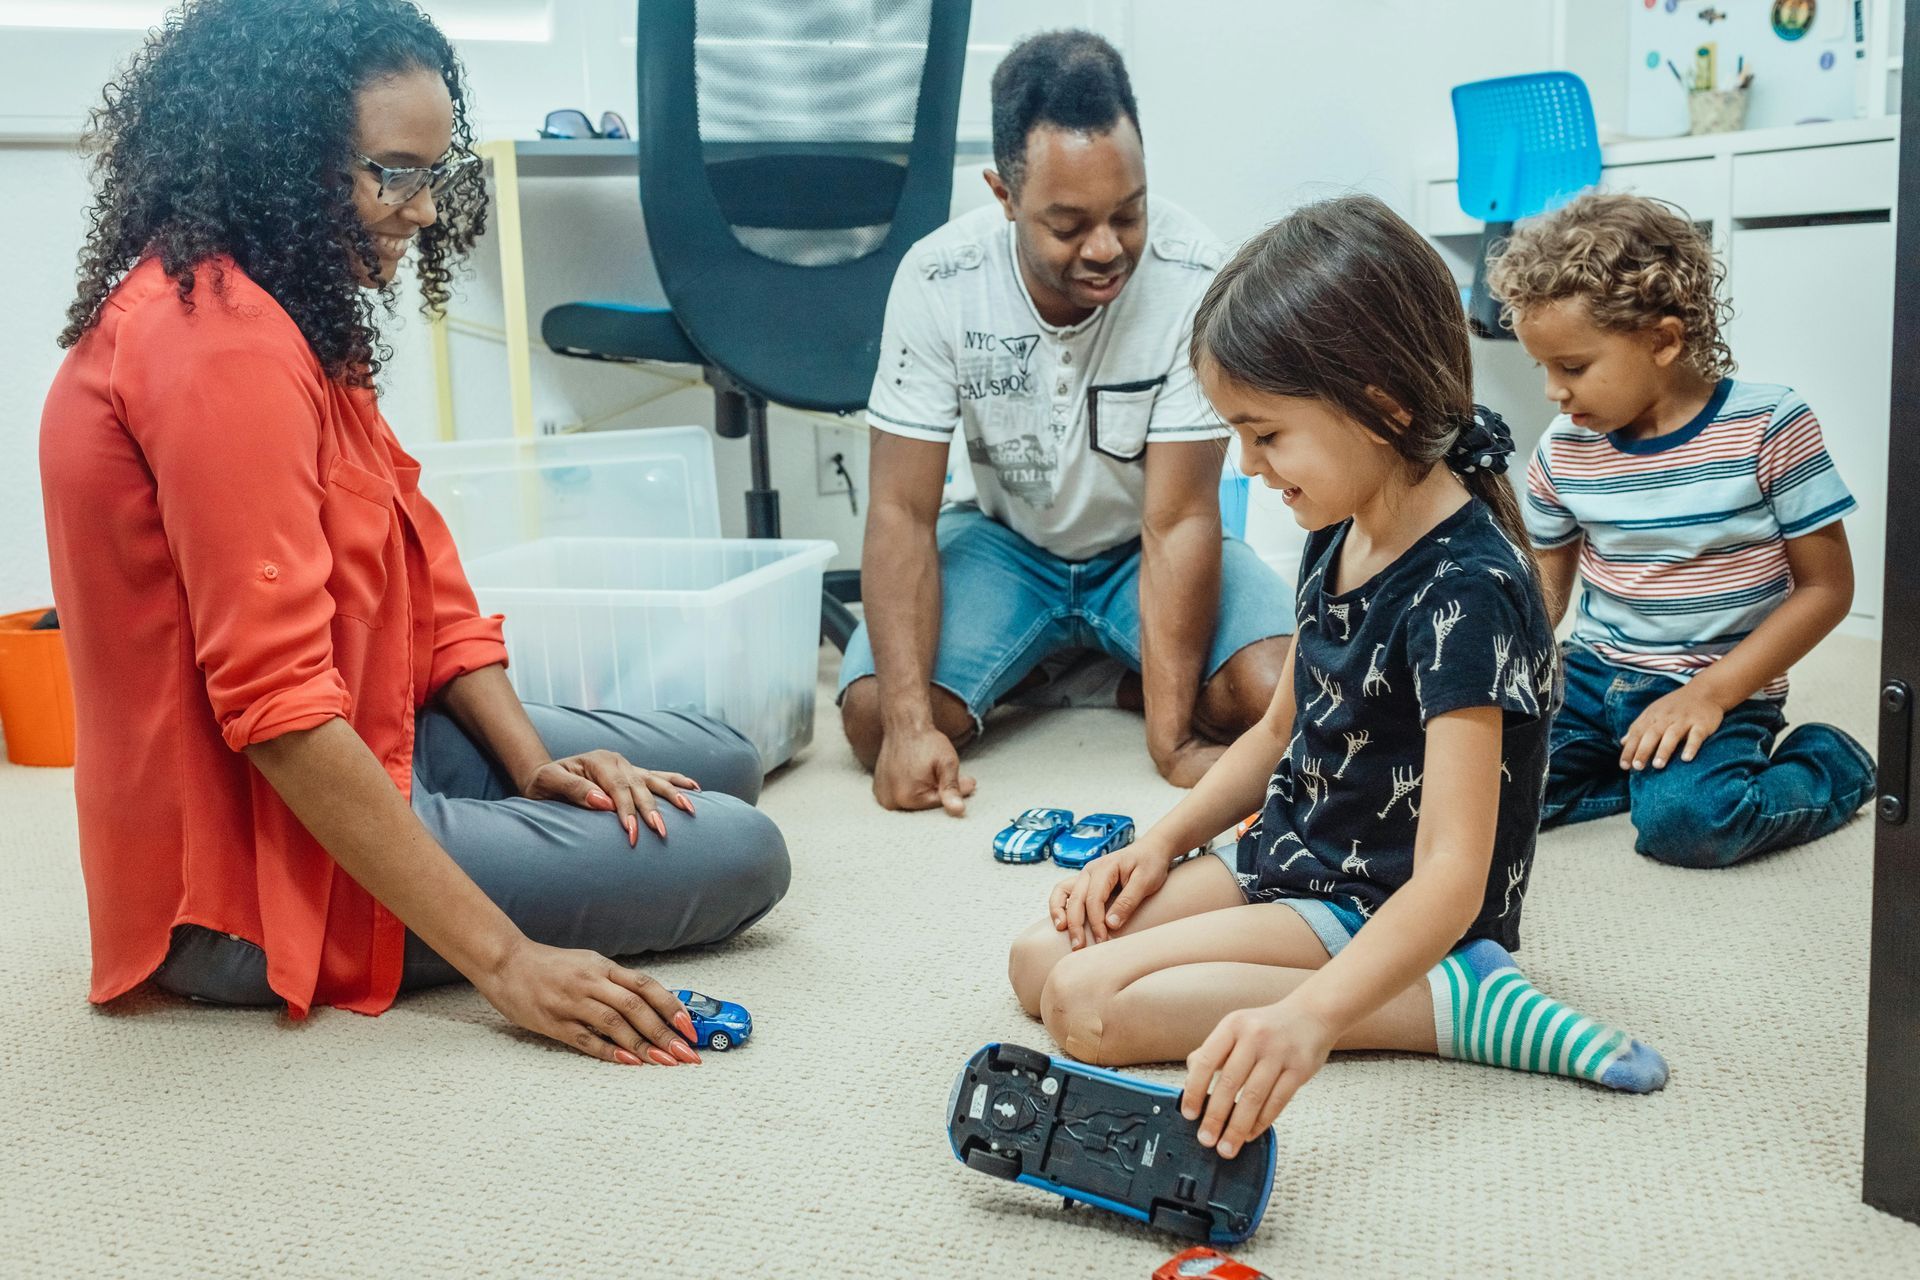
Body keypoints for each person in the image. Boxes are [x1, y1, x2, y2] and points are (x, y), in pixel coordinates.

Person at [38, 0, 789, 1066]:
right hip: (245, 869)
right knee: (744, 851)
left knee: (726, 755)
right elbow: (281, 715)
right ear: (282, 159)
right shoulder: (219, 346)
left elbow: (426, 576)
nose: (426, 210)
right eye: (395, 174)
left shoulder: (290, 309)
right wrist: (506, 961)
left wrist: (531, 764)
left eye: (437, 174)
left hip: (374, 724)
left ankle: (501, 799)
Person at [1008, 196, 1667, 1162]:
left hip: (1379, 900)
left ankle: (1451, 1006)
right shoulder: (1336, 526)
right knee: (1037, 961)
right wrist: (1160, 844)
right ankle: (1396, 990)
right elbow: (1276, 735)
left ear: (1383, 403)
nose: (1247, 463)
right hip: (1289, 856)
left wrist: (1308, 1020)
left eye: (1266, 434)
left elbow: (1453, 874)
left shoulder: (1469, 589)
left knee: (1085, 1002)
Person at [837, 30, 1293, 815]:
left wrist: (1173, 741)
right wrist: (912, 727)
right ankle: (1055, 657)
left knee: (1277, 697)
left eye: (1129, 211)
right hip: (1005, 547)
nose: (1107, 248)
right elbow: (900, 511)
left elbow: (1179, 517)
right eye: (1069, 224)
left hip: (1143, 545)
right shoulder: (939, 278)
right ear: (1004, 195)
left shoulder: (1195, 275)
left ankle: (1095, 675)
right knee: (873, 717)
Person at [1488, 192, 1875, 868]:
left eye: (1572, 367)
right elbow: (1547, 589)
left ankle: (1834, 763)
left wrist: (1710, 693)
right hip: (1591, 674)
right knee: (1477, 797)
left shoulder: (1770, 425)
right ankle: (1641, 775)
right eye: (1542, 368)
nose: (1553, 391)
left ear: (1663, 341)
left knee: (1690, 824)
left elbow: (1827, 590)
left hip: (1720, 680)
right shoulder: (1563, 450)